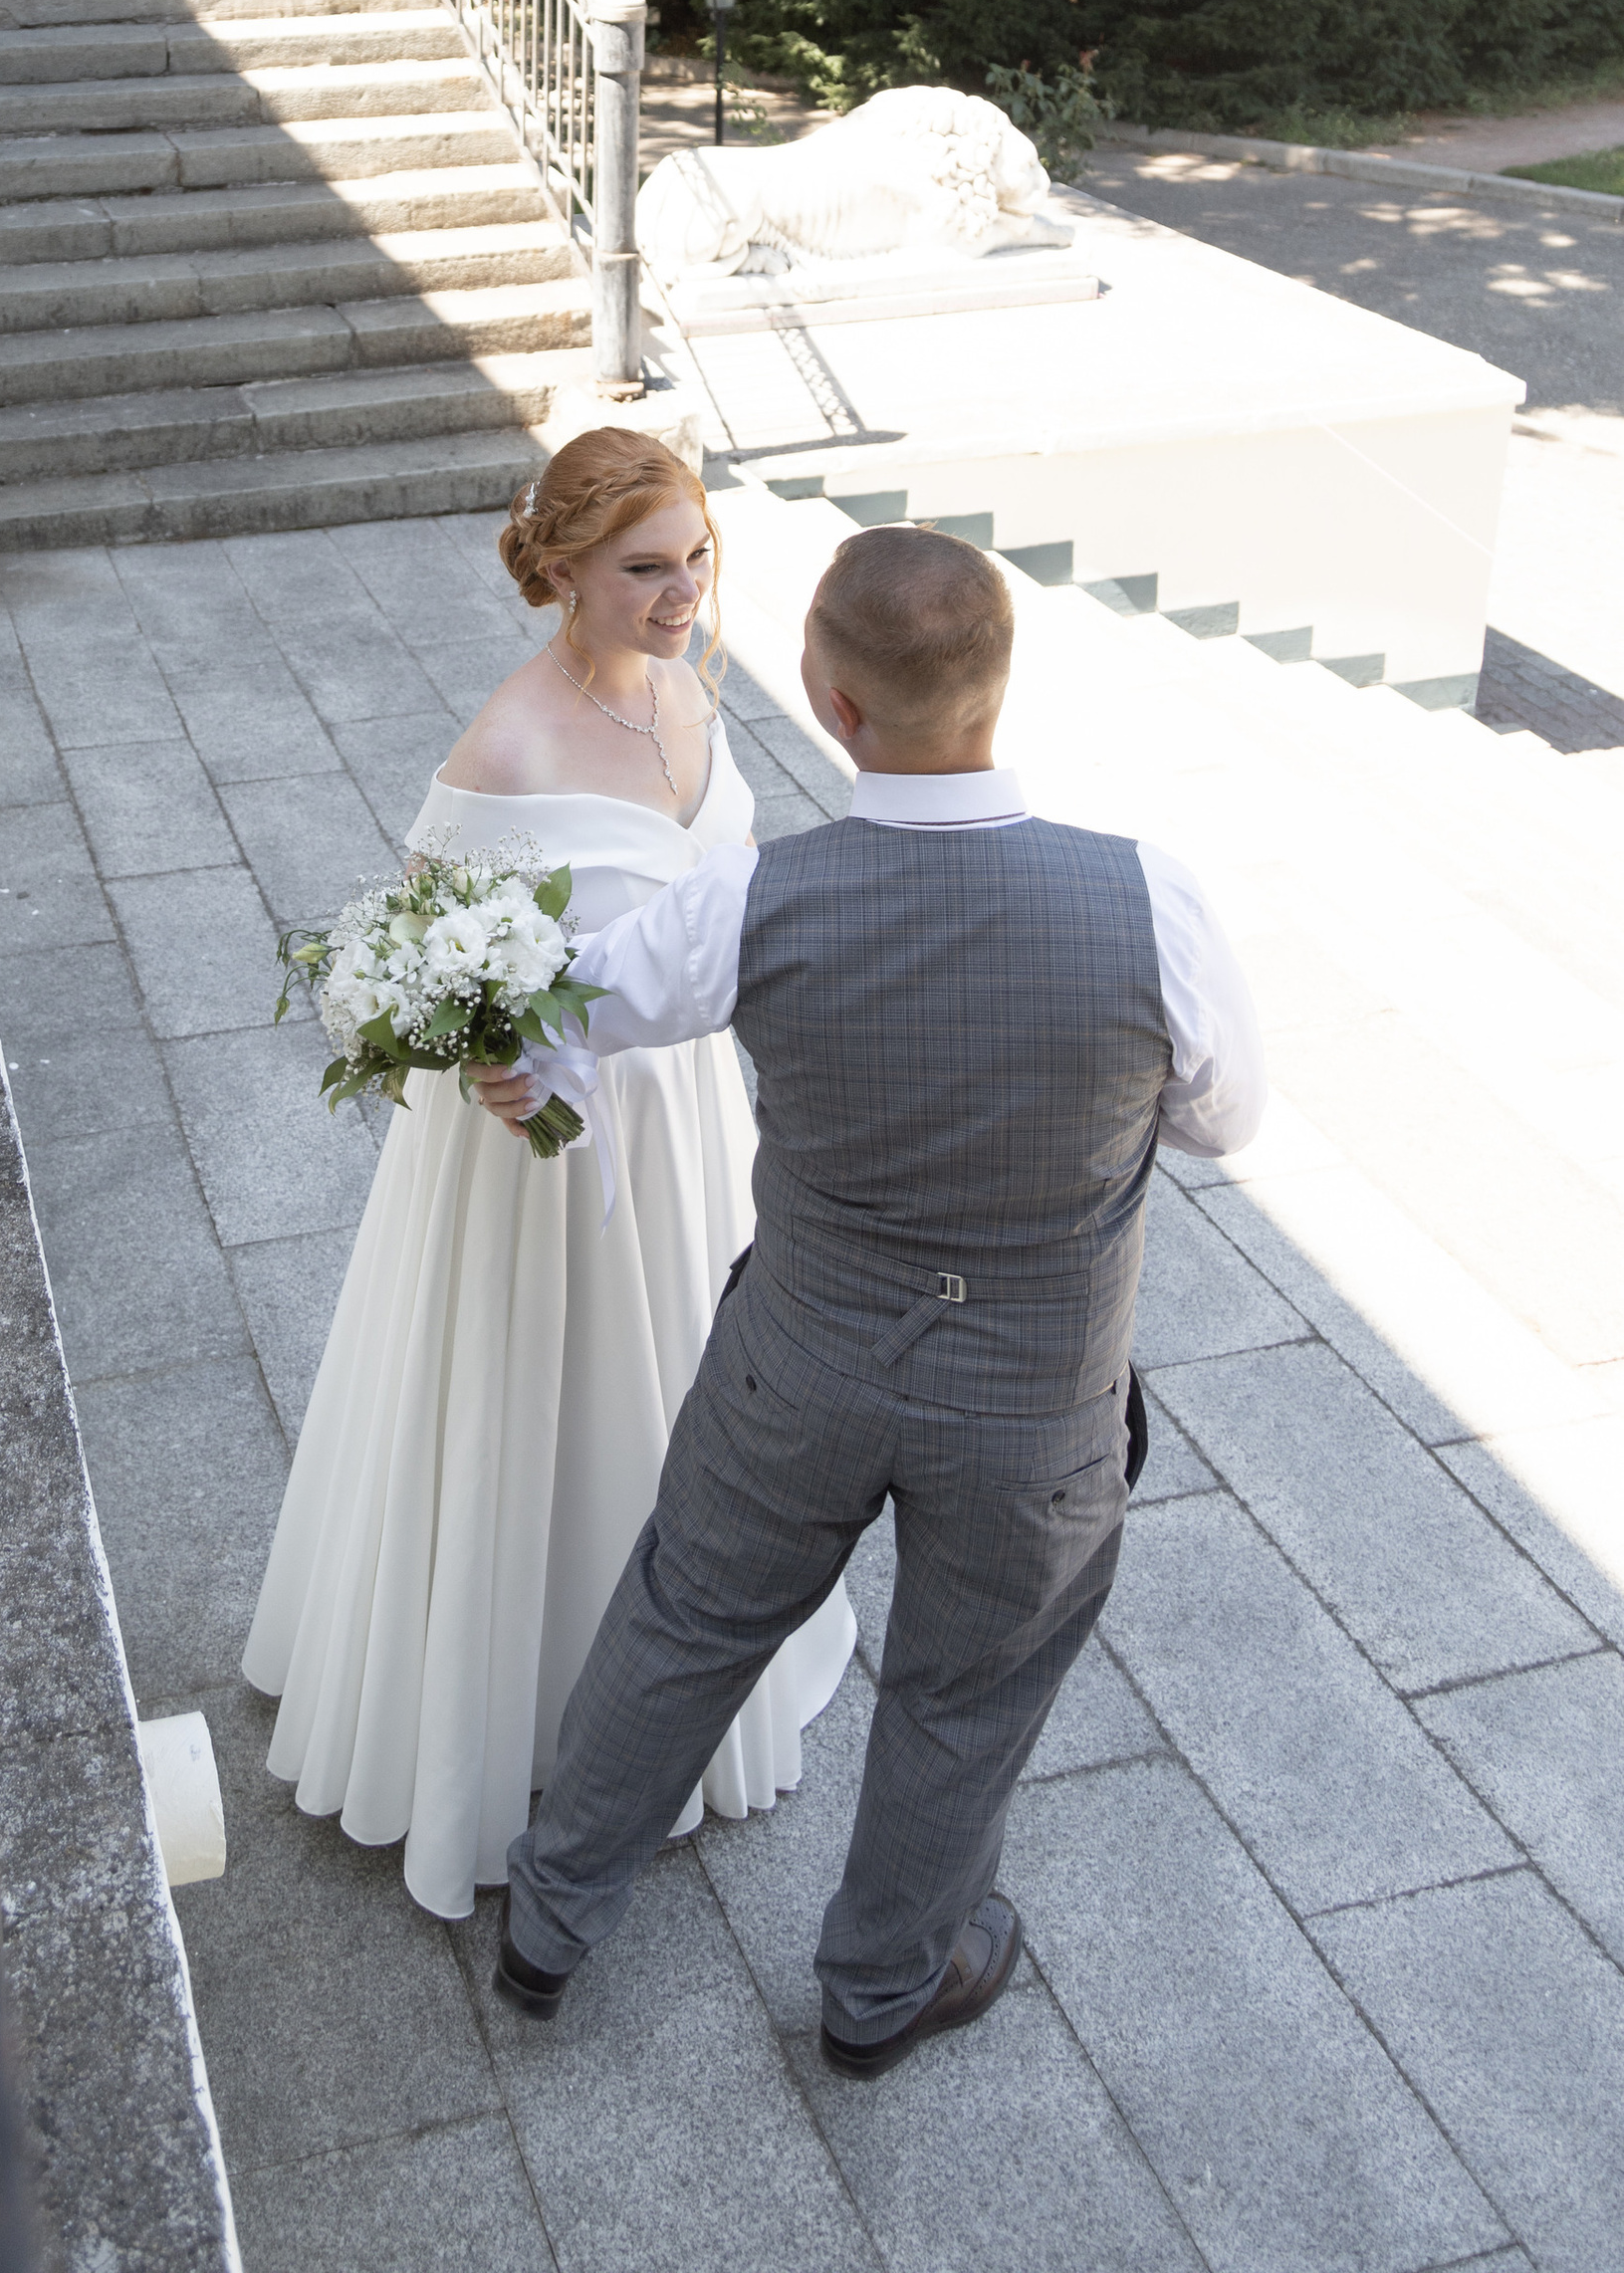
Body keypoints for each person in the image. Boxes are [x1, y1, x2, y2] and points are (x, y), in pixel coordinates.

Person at [474, 522, 1265, 2076]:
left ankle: (553, 1923)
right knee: (967, 1695)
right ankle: (884, 1987)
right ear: (999, 685)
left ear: (830, 702)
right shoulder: (1147, 902)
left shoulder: (756, 898)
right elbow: (1222, 1118)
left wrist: (510, 1052)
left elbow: (572, 1013)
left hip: (803, 1360)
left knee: (691, 1614)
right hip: (1039, 1402)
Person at [242, 430, 856, 1919]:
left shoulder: (690, 696)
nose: (682, 594)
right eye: (646, 569)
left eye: (697, 560)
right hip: (550, 1158)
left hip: (688, 1126)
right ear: (563, 569)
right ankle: (505, 1714)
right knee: (543, 1407)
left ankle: (683, 1675)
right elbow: (411, 970)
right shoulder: (502, 753)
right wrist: (483, 1060)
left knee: (686, 1405)